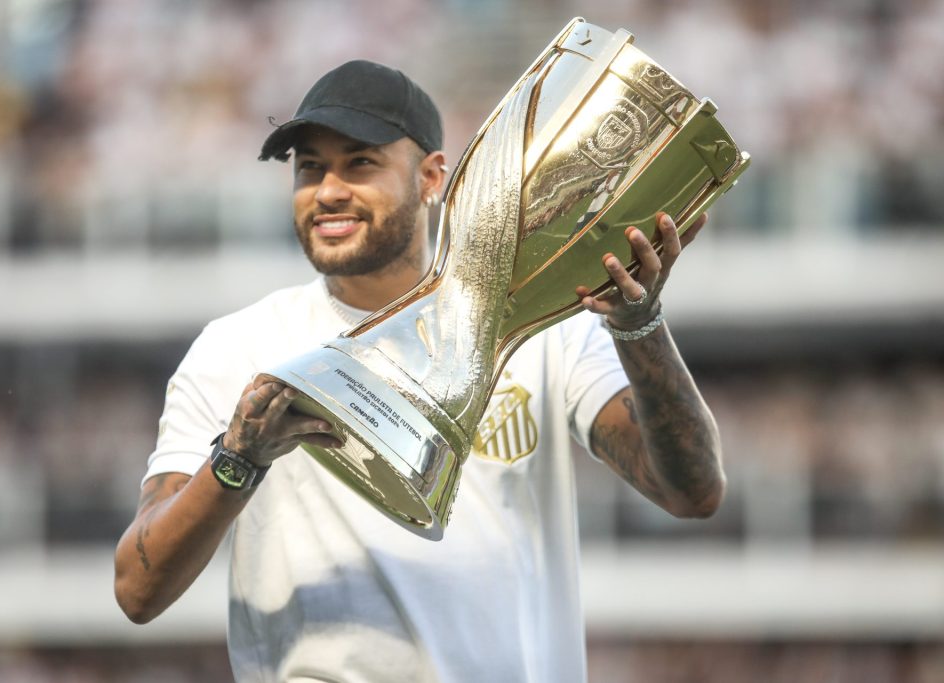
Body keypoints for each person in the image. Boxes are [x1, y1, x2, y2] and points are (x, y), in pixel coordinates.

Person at [114, 59, 725, 683]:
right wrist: (239, 457)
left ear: (432, 177)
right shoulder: (239, 347)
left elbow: (691, 492)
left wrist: (637, 326)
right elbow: (138, 591)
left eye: (360, 162)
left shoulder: (544, 330)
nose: (327, 189)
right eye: (309, 168)